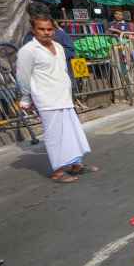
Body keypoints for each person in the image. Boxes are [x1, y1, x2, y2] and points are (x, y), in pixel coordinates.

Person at [16, 12, 97, 184]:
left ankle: (76, 165)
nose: (46, 32)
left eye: (49, 29)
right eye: (41, 29)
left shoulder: (58, 47)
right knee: (55, 136)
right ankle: (58, 172)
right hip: (46, 99)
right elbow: (23, 77)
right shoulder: (28, 51)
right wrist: (25, 98)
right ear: (33, 30)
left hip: (64, 97)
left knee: (71, 133)